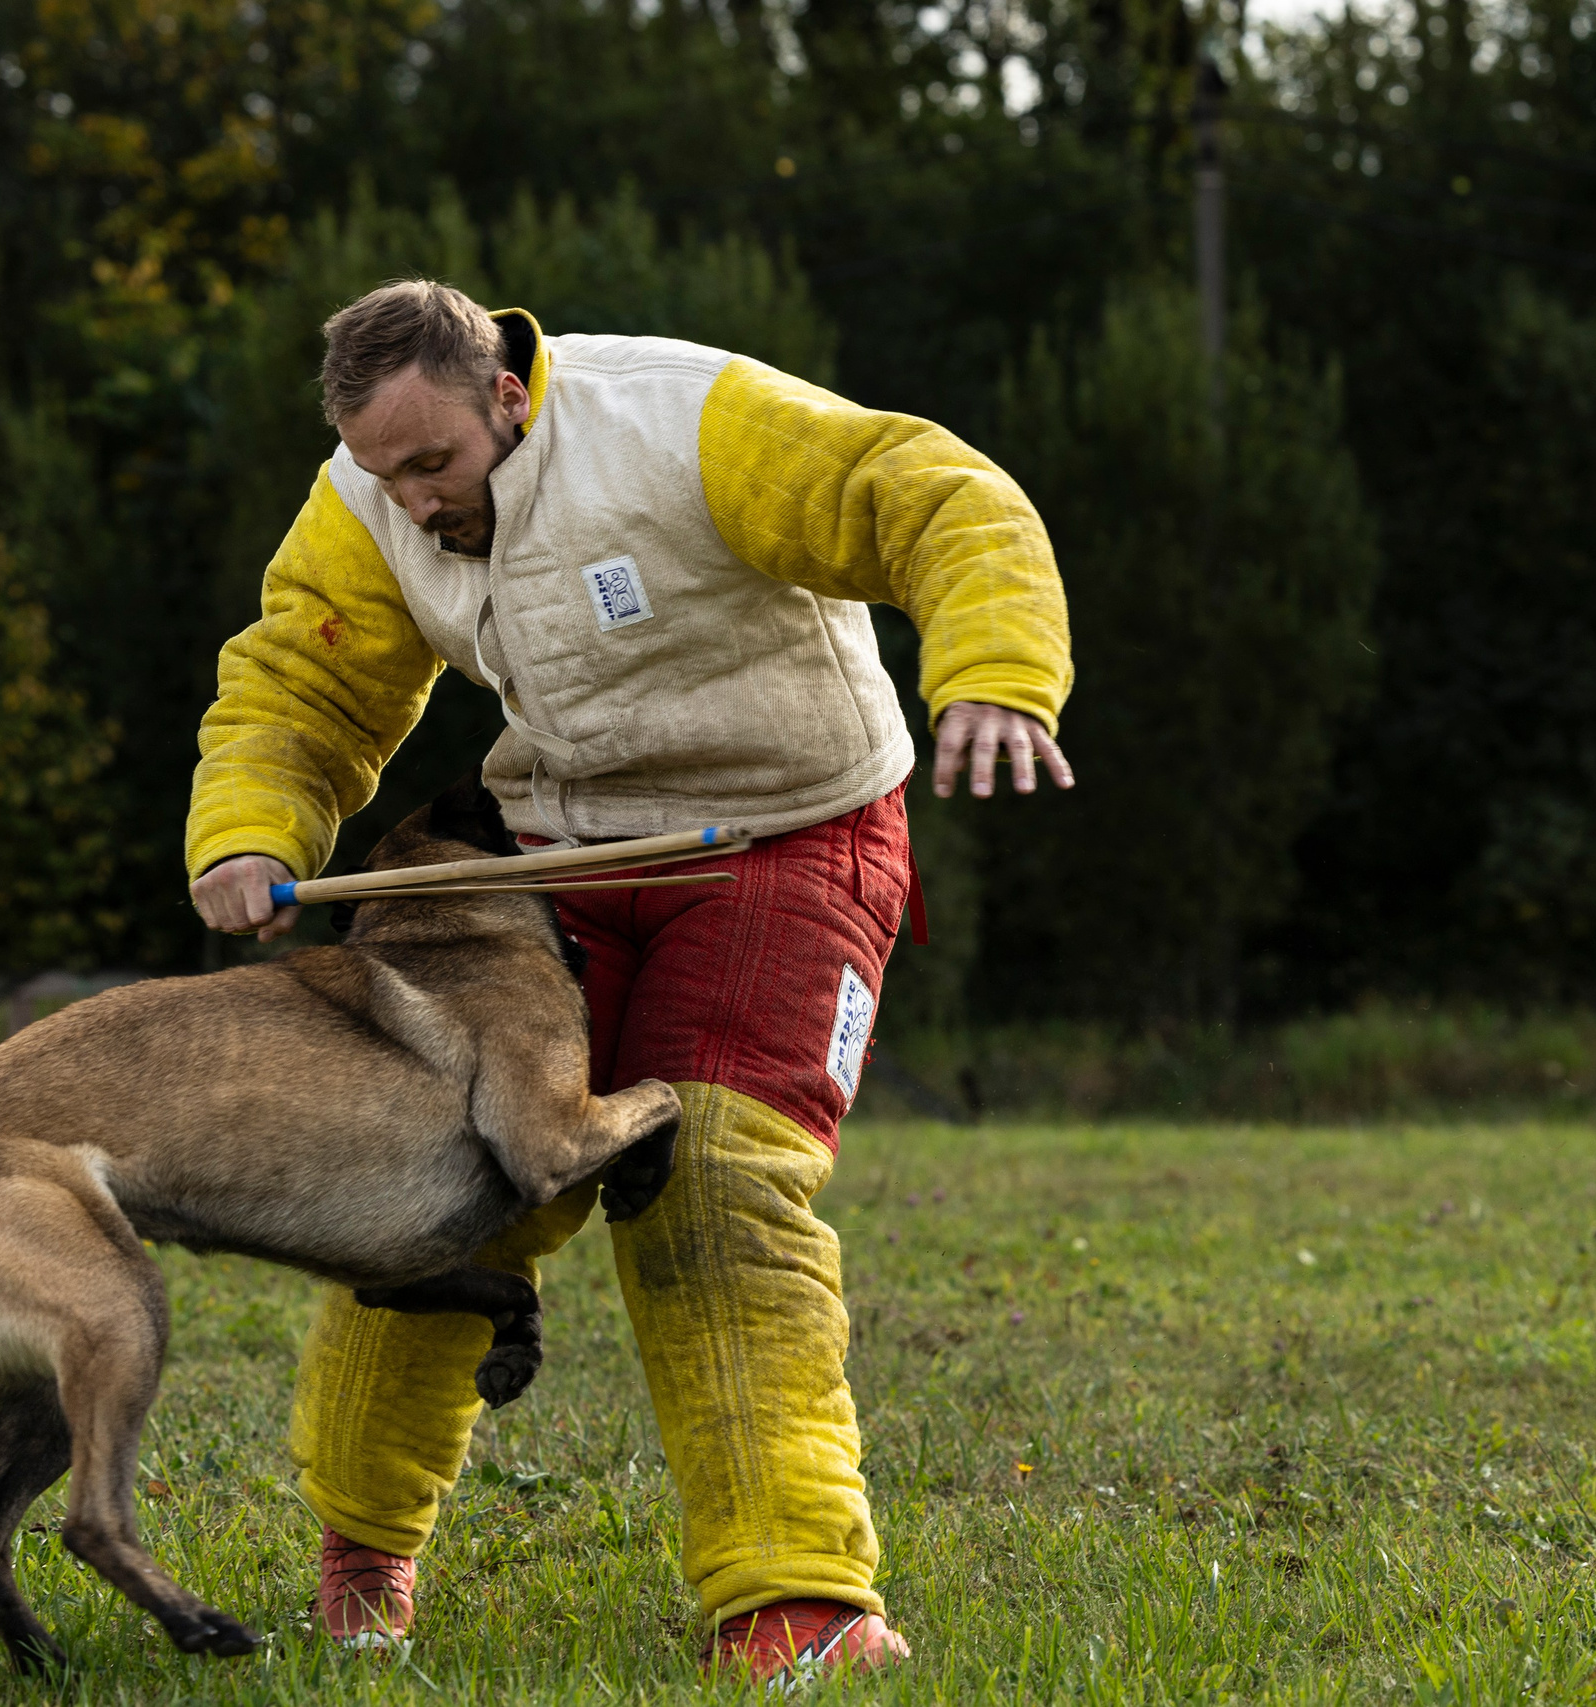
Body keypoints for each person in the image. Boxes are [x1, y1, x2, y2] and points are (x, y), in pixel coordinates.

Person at [184, 280, 1072, 1684]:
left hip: (794, 835)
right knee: (435, 1171)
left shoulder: (686, 421)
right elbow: (302, 687)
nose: (412, 500)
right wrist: (246, 834)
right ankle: (360, 1563)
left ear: (508, 401)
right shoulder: (364, 501)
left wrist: (995, 672)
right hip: (554, 849)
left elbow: (931, 493)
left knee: (711, 1177)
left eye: (435, 464)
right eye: (382, 471)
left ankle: (795, 1610)